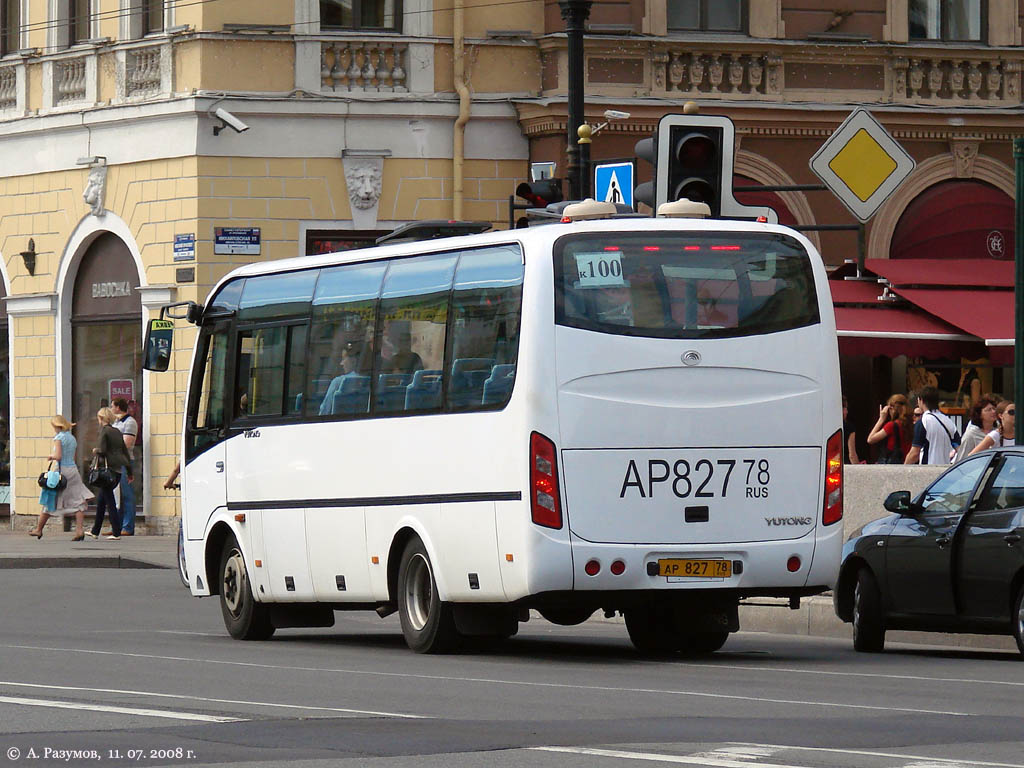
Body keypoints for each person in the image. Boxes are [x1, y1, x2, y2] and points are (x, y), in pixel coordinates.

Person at [29, 416, 94, 540]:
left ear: (58, 426)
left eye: (54, 426)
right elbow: (73, 457)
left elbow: (58, 456)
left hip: (61, 471)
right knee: (78, 500)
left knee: (50, 497)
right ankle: (80, 530)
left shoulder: (59, 438)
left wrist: (51, 456)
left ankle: (38, 529)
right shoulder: (72, 438)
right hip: (73, 470)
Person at [86, 407, 131, 541]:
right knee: (101, 501)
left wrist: (95, 450)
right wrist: (129, 471)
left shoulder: (104, 431)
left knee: (110, 502)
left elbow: (102, 450)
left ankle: (116, 532)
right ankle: (95, 531)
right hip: (117, 470)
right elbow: (125, 452)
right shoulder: (117, 431)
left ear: (101, 419)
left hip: (106, 472)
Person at [904, 386, 960, 465]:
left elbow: (914, 454)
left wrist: (903, 469)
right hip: (945, 471)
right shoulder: (948, 421)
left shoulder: (923, 422)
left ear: (921, 400)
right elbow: (959, 449)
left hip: (928, 470)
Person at [111, 398, 138, 536]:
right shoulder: (116, 422)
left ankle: (128, 526)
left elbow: (127, 443)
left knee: (127, 495)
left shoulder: (130, 422)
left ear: (118, 407)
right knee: (117, 496)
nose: (111, 409)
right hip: (115, 461)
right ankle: (117, 525)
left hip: (124, 461)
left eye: (112, 406)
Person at [319, 343, 363, 415]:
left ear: (354, 361)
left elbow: (325, 408)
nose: (341, 363)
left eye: (344, 358)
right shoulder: (364, 381)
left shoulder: (337, 382)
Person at [867, 394, 912, 464]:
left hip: (893, 461)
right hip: (906, 460)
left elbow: (870, 439)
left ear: (891, 408)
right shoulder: (910, 423)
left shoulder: (891, 425)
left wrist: (881, 419)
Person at [953, 397, 998, 462]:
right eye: (989, 410)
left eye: (994, 409)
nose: (993, 412)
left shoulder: (998, 432)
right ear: (980, 414)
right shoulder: (971, 434)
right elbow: (962, 459)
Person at [842, 396, 859, 465]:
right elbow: (852, 455)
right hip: (845, 465)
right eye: (845, 408)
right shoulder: (849, 427)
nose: (847, 412)